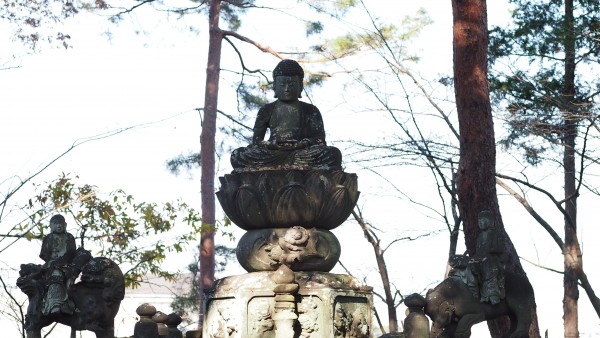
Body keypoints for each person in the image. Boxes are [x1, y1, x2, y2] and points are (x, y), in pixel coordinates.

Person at [230, 59, 342, 171]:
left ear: (300, 86)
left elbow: (320, 140)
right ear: (274, 86)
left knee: (333, 154)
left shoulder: (310, 110)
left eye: (292, 84)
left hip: (301, 153)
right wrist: (271, 145)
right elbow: (256, 141)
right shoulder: (266, 110)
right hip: (273, 154)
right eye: (282, 84)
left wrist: (302, 144)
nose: (287, 89)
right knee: (237, 155)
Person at [39, 214, 76, 316]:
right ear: (51, 226)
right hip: (54, 264)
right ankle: (55, 304)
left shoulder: (69, 237)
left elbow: (73, 252)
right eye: (55, 224)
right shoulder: (49, 238)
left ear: (65, 225)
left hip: (69, 264)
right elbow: (44, 254)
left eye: (61, 223)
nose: (59, 226)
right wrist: (54, 260)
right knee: (56, 275)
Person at [474, 210, 506, 305]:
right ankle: (474, 291)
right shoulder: (480, 237)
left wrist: (490, 250)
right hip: (481, 260)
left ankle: (493, 294)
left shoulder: (495, 234)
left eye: (483, 220)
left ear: (489, 221)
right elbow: (478, 251)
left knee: (488, 263)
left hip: (493, 261)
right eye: (479, 221)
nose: (480, 222)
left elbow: (500, 249)